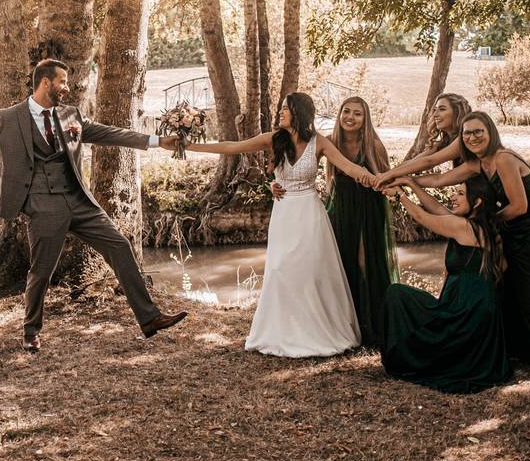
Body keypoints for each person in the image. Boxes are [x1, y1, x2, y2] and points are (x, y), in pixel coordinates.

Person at [0, 58, 187, 352]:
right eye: (62, 82)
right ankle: (30, 330)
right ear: (45, 83)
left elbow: (109, 133)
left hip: (79, 200)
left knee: (118, 245)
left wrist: (157, 141)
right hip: (42, 203)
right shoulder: (10, 117)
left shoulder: (70, 115)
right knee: (42, 271)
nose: (67, 88)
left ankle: (149, 318)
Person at [403, 111, 530, 370]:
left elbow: (519, 206)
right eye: (467, 133)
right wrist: (405, 180)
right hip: (509, 235)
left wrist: (482, 224)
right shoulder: (477, 164)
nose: (472, 137)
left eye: (478, 131)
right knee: (508, 295)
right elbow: (439, 180)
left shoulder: (504, 159)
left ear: (491, 133)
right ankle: (524, 350)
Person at [185, 92, 373, 358]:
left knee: (310, 271)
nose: (281, 112)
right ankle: (283, 331)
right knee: (281, 268)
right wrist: (189, 146)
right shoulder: (273, 140)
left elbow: (348, 167)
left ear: (299, 112)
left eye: (285, 108)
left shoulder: (319, 142)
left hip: (310, 213)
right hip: (285, 214)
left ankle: (318, 332)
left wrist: (377, 180)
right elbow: (231, 147)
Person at [272, 96, 398, 348]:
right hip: (340, 204)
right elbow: (293, 163)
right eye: (346, 112)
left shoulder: (372, 144)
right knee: (338, 259)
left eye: (357, 114)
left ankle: (373, 322)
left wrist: (389, 188)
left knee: (365, 260)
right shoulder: (330, 140)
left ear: (365, 119)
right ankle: (344, 321)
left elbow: (383, 178)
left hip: (367, 206)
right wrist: (275, 184)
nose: (350, 117)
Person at [380, 175, 512, 393]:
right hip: (480, 313)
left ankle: (403, 356)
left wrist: (400, 195)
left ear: (477, 201)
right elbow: (437, 208)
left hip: (463, 312)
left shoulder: (462, 226)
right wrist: (411, 184)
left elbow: (422, 216)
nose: (453, 197)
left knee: (397, 294)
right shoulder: (483, 227)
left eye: (460, 193)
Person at [374, 93, 472, 188]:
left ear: (457, 112)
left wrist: (390, 176)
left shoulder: (465, 139)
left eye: (442, 109)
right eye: (434, 110)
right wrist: (387, 176)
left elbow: (430, 162)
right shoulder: (445, 142)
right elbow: (414, 161)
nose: (435, 115)